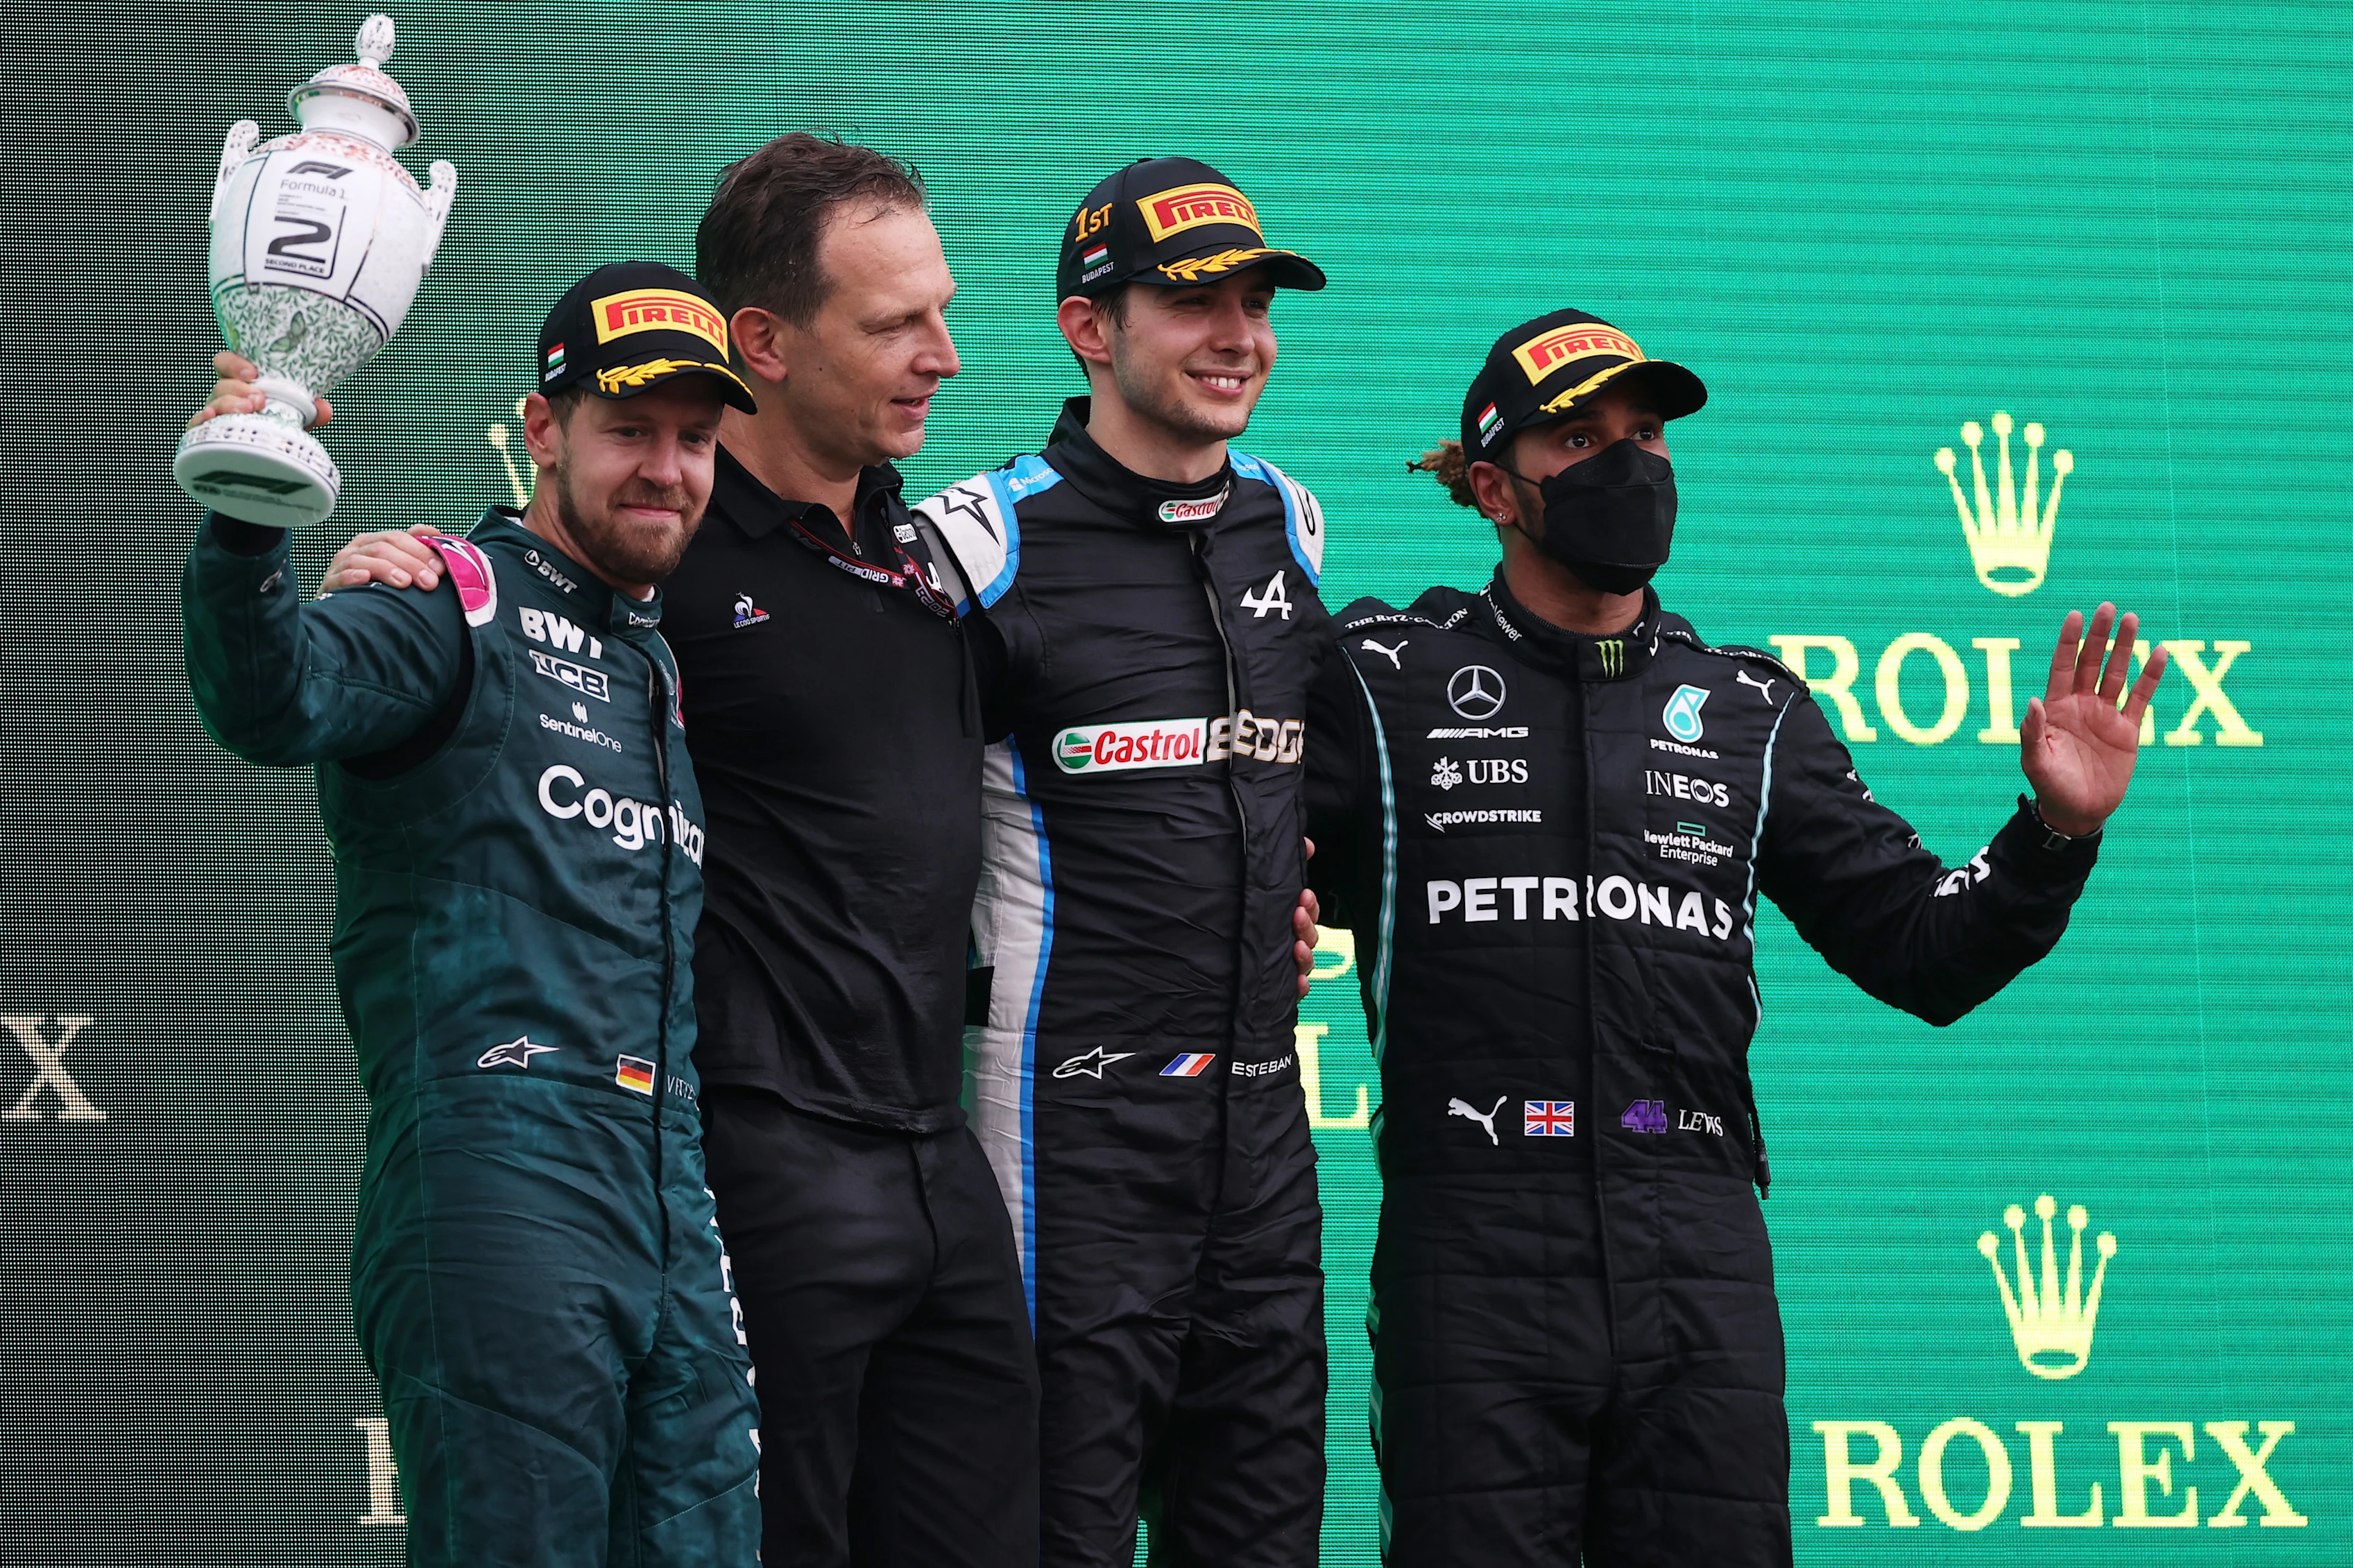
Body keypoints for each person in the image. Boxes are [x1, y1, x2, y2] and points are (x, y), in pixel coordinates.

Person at [1303, 308, 2169, 1567]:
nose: (1628, 464)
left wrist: (2053, 830)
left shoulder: (1751, 711)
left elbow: (1928, 951)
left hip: (1697, 1248)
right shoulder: (1385, 676)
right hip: (1474, 1245)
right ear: (1492, 487)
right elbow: (1229, 860)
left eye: (1645, 434)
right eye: (1580, 438)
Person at [322, 135, 1039, 1568]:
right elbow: (476, 631)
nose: (943, 355)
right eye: (897, 321)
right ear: (764, 341)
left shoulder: (926, 556)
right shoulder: (646, 564)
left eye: (941, 309)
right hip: (741, 1163)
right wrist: (383, 575)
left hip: (932, 1150)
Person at [179, 261, 762, 1567]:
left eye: (695, 440)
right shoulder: (451, 602)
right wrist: (247, 516)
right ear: (542, 430)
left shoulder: (653, 660)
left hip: (665, 1179)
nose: (667, 468)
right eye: (630, 432)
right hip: (505, 1158)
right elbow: (271, 699)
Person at [917, 155, 1335, 1568]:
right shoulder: (979, 542)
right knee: (1056, 1535)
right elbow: (874, 835)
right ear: (1088, 328)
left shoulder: (1290, 517)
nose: (1241, 336)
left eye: (1258, 301)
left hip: (1267, 1143)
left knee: (1263, 1534)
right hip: (1065, 1140)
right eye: (1194, 303)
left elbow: (1293, 790)